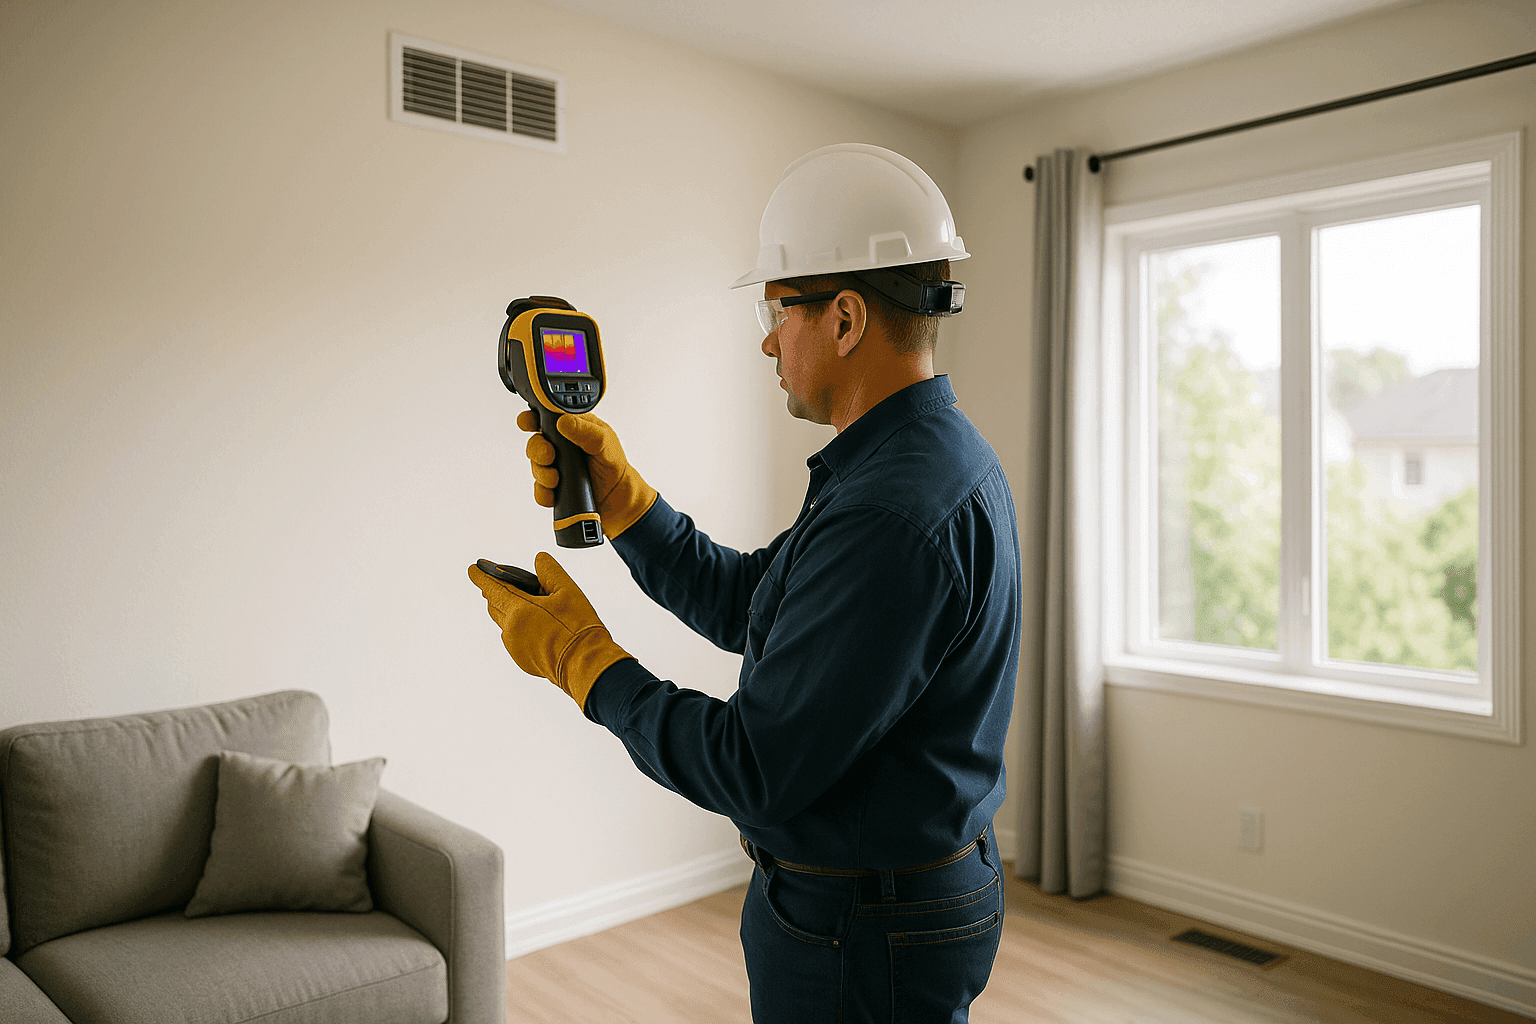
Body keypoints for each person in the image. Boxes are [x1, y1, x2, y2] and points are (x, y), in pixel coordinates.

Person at [470, 143, 1022, 1023]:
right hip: (902, 895)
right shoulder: (921, 459)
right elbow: (753, 605)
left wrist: (583, 661)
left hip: (859, 926)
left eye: (777, 310)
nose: (766, 339)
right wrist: (626, 504)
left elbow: (753, 768)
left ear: (844, 319)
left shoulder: (889, 511)